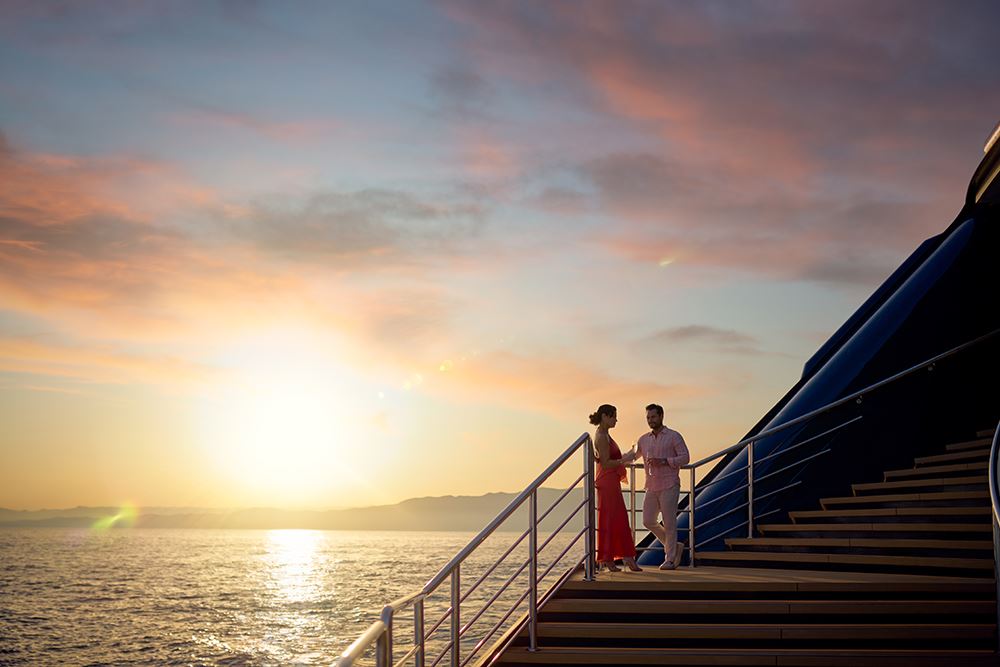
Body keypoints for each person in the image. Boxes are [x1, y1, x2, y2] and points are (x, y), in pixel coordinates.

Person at [635, 403, 690, 569]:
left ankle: (670, 559)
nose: (650, 420)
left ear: (661, 416)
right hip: (651, 485)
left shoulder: (674, 436)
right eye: (648, 418)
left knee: (669, 523)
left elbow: (685, 457)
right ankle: (675, 546)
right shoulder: (643, 439)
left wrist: (665, 461)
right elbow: (634, 455)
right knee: (647, 520)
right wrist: (614, 460)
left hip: (669, 484)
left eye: (653, 417)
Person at [589, 404, 642, 572]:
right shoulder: (602, 436)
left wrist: (623, 459)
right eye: (613, 416)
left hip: (609, 481)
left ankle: (615, 558)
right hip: (608, 481)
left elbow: (602, 460)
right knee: (615, 518)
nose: (616, 420)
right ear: (605, 416)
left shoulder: (603, 434)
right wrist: (624, 459)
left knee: (614, 518)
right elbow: (605, 463)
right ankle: (618, 558)